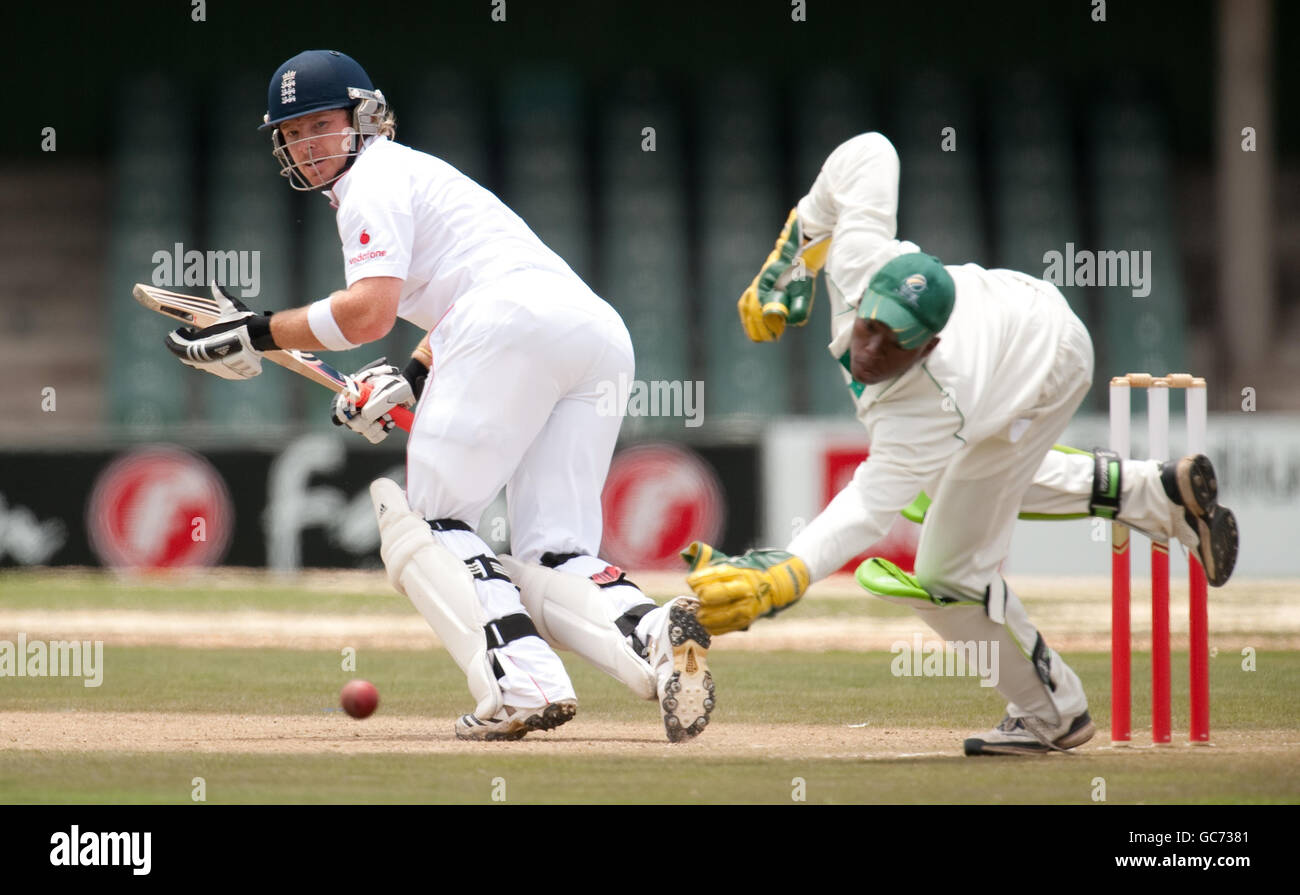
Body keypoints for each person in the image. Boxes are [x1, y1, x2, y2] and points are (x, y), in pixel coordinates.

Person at [162, 49, 714, 743]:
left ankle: (523, 683)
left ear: (365, 118)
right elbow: (470, 289)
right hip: (593, 333)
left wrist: (259, 331)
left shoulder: (370, 179)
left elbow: (369, 313)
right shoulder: (418, 173)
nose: (307, 145)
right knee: (554, 551)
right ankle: (655, 632)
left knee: (428, 524)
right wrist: (414, 375)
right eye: (293, 133)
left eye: (321, 125)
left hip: (508, 322)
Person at [683, 132, 1238, 755]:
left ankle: (1053, 712)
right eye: (869, 327)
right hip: (1021, 312)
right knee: (968, 483)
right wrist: (797, 251)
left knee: (948, 572)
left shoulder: (937, 398)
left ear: (929, 346)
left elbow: (870, 503)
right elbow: (869, 151)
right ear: (866, 294)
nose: (869, 350)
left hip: (1045, 367)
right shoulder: (859, 260)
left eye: (895, 343)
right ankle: (1157, 493)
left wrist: (789, 571)